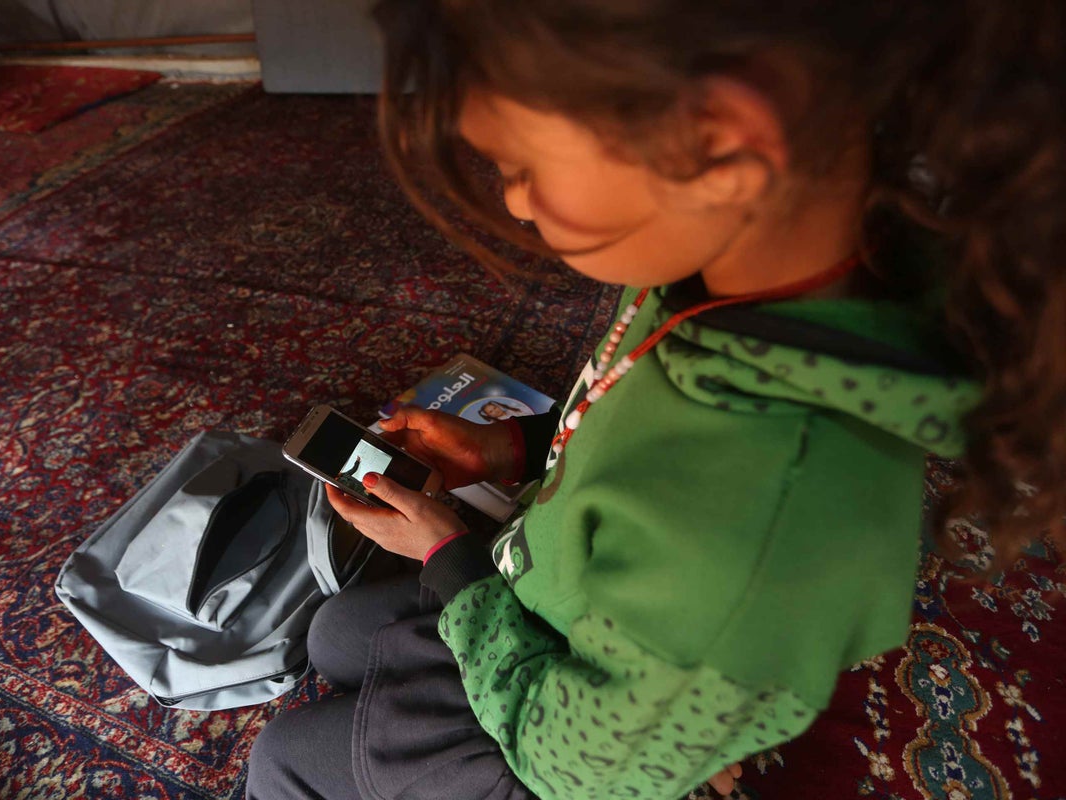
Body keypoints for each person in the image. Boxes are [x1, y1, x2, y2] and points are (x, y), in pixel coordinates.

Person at [247, 1, 1065, 798]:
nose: (516, 201)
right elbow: (628, 424)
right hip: (552, 600)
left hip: (546, 742)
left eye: (520, 166)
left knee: (281, 758)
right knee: (331, 635)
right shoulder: (726, 268)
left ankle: (674, 739)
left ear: (717, 145)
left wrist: (446, 556)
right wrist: (509, 452)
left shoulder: (747, 535)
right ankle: (676, 722)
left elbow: (568, 770)